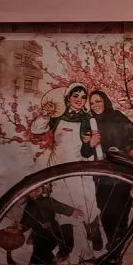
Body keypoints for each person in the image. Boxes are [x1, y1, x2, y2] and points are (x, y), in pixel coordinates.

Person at [30, 85, 102, 249]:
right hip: (58, 165)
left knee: (87, 202)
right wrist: (46, 114)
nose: (79, 100)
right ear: (68, 98)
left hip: (80, 167)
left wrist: (91, 144)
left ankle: (95, 236)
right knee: (62, 203)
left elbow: (86, 152)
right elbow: (36, 129)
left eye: (83, 97)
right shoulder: (58, 116)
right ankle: (67, 246)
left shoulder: (87, 120)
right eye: (75, 95)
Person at [81, 92, 133, 251]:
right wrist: (91, 143)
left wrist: (125, 148)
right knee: (105, 211)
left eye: (98, 101)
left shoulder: (117, 116)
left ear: (105, 101)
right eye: (92, 103)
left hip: (121, 170)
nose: (96, 105)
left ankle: (119, 245)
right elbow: (85, 152)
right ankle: (113, 242)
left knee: (121, 210)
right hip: (101, 173)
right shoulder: (90, 123)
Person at [19, 184, 81, 265]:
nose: (35, 191)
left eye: (38, 188)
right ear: (27, 194)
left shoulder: (46, 201)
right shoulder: (29, 207)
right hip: (39, 233)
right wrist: (21, 228)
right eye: (32, 190)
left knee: (63, 238)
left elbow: (58, 206)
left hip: (52, 230)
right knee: (38, 252)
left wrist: (71, 211)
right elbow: (26, 220)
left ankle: (57, 257)